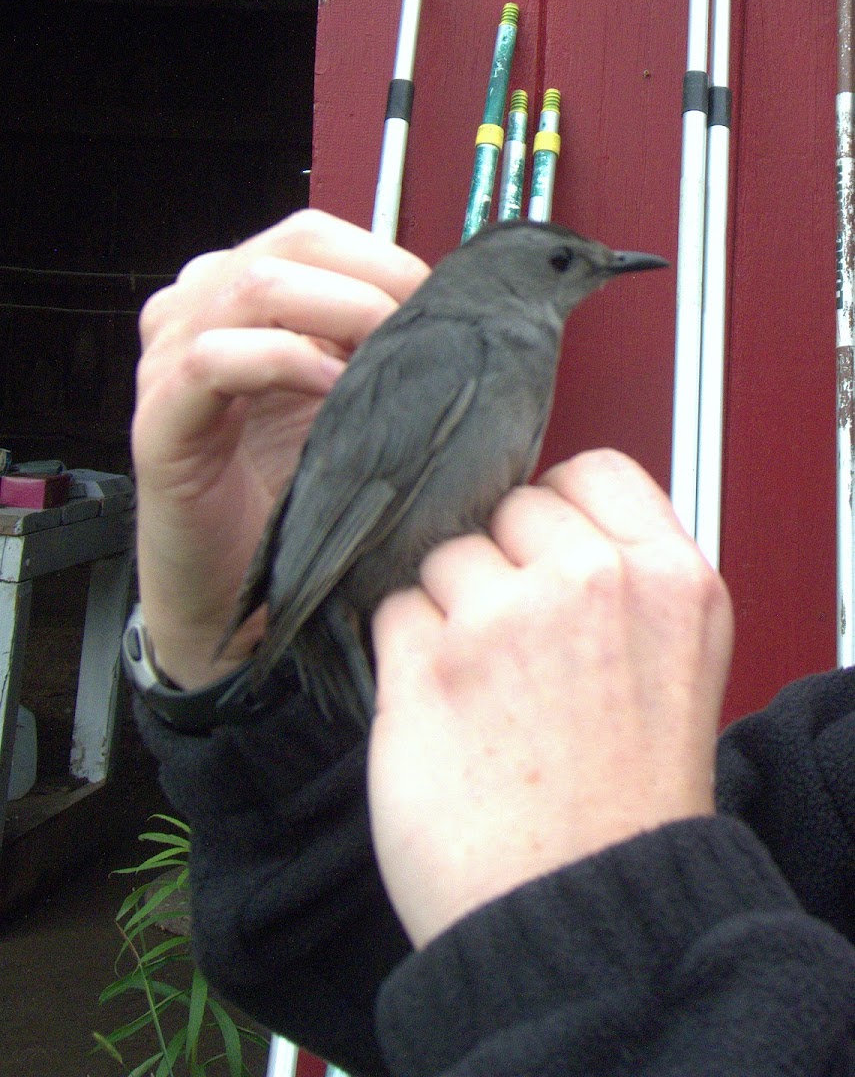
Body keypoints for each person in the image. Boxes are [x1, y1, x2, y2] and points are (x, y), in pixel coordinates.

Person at [130, 209, 855, 1076]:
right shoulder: (454, 347)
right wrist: (240, 661)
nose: (598, 270)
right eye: (561, 262)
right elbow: (400, 942)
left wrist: (609, 894)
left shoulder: (498, 350)